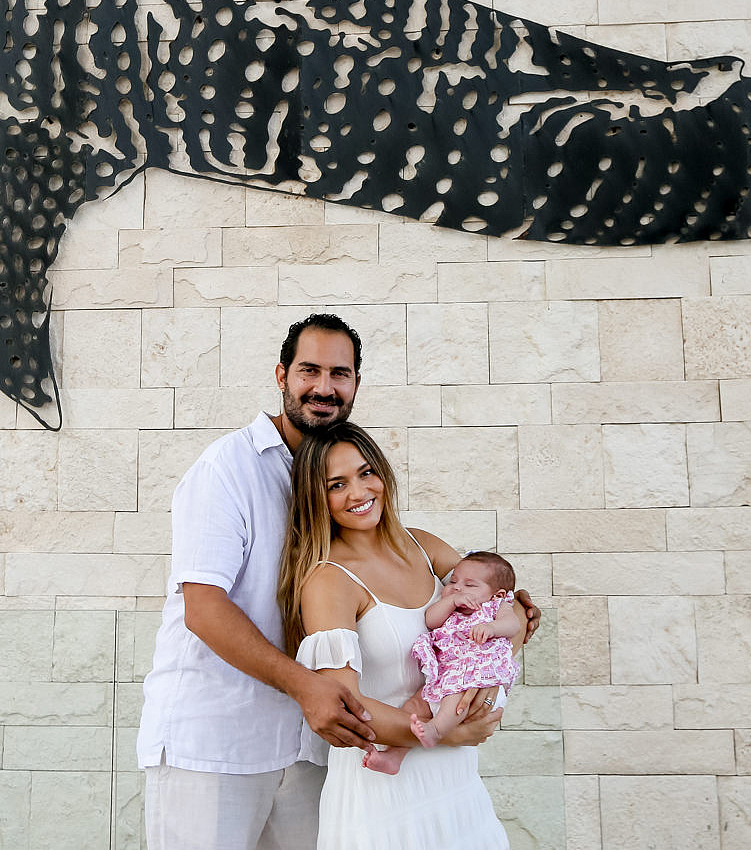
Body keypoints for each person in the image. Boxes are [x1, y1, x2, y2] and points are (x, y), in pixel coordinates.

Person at [137, 314, 536, 849]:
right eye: (309, 371)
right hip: (217, 738)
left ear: (354, 385)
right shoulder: (227, 469)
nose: (324, 387)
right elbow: (203, 608)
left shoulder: (372, 513)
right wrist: (309, 686)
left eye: (339, 374)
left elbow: (464, 586)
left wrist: (510, 611)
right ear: (282, 375)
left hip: (314, 750)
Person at [278, 422, 515, 849]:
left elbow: (503, 605)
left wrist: (475, 699)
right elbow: (342, 709)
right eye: (336, 484)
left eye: (367, 472)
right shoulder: (329, 580)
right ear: (316, 498)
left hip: (456, 782)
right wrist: (449, 732)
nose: (358, 492)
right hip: (381, 797)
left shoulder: (424, 547)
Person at [360, 551, 524, 775]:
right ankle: (393, 757)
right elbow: (431, 620)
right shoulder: (450, 606)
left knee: (454, 699)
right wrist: (451, 601)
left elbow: (513, 625)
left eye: (469, 585)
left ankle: (436, 730)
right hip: (446, 677)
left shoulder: (496, 607)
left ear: (497, 594)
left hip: (475, 675)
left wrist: (492, 628)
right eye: (454, 581)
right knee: (414, 707)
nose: (457, 588)